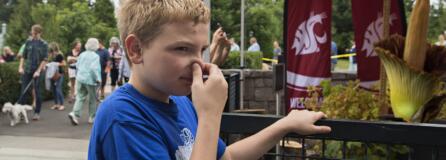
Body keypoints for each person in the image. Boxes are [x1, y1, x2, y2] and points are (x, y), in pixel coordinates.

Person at [88, 1, 331, 160]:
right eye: (182, 48)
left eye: (201, 50)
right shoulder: (123, 116)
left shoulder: (179, 102)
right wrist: (210, 114)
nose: (197, 63)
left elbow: (228, 158)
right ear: (136, 50)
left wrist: (284, 125)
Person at [68, 38, 102, 125]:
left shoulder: (82, 54)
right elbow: (94, 68)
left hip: (80, 78)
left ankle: (74, 114)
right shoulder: (95, 56)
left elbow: (78, 65)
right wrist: (98, 78)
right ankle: (91, 117)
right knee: (92, 98)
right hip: (90, 80)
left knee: (80, 96)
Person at [18, 24, 48, 120]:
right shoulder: (28, 42)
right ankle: (20, 113)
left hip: (38, 71)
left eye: (35, 33)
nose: (33, 35)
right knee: (24, 91)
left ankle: (37, 112)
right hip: (28, 69)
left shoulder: (44, 44)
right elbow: (23, 56)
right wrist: (20, 67)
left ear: (40, 33)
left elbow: (45, 59)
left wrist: (38, 71)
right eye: (32, 33)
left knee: (38, 92)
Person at [48, 42, 66, 111]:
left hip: (59, 74)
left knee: (58, 89)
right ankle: (56, 104)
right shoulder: (51, 56)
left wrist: (55, 64)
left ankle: (62, 104)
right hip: (52, 74)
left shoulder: (59, 55)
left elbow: (64, 64)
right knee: (54, 90)